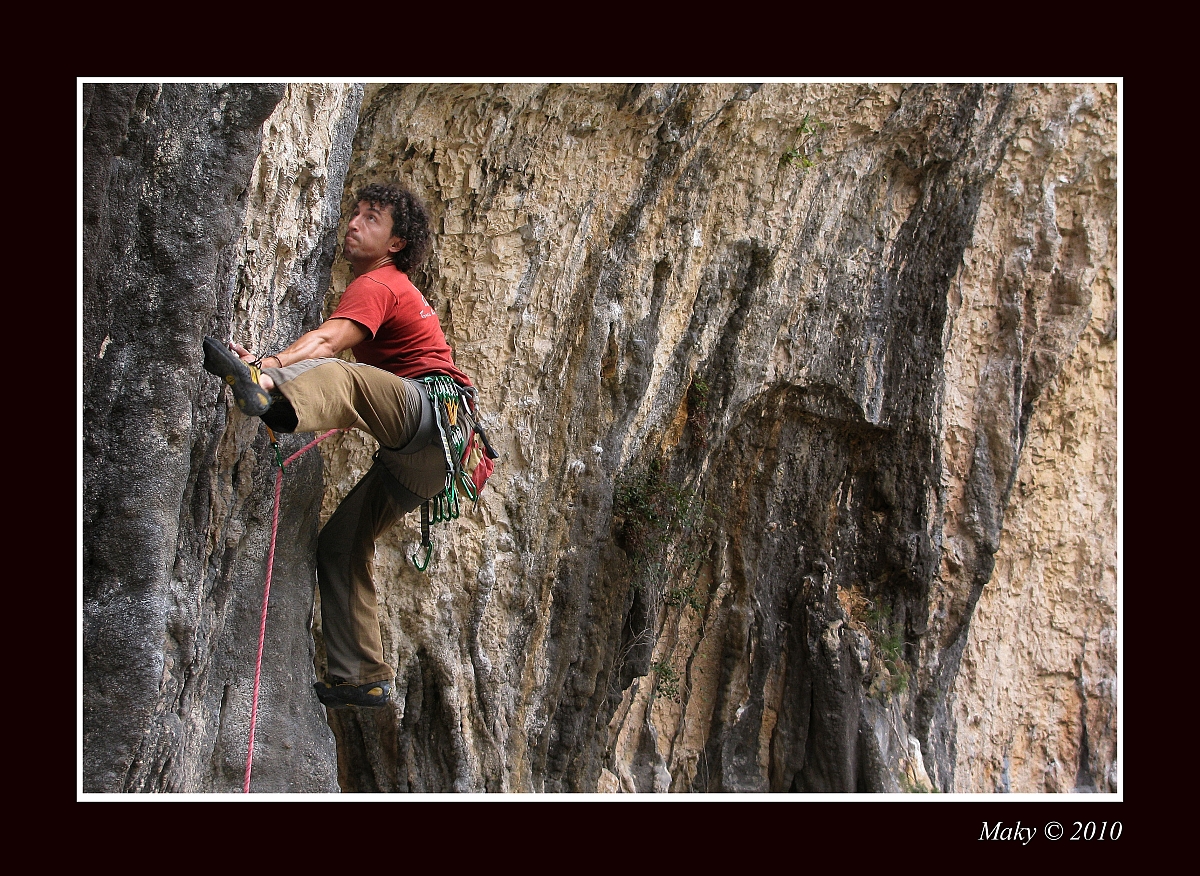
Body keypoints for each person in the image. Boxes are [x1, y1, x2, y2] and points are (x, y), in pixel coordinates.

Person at [203, 182, 478, 709]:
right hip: (432, 457)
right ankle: (362, 675)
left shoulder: (381, 283)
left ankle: (269, 397)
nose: (353, 223)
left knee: (341, 375)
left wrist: (267, 371)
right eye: (354, 213)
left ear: (396, 243)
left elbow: (331, 344)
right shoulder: (393, 288)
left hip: (428, 415)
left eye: (371, 218)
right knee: (342, 543)